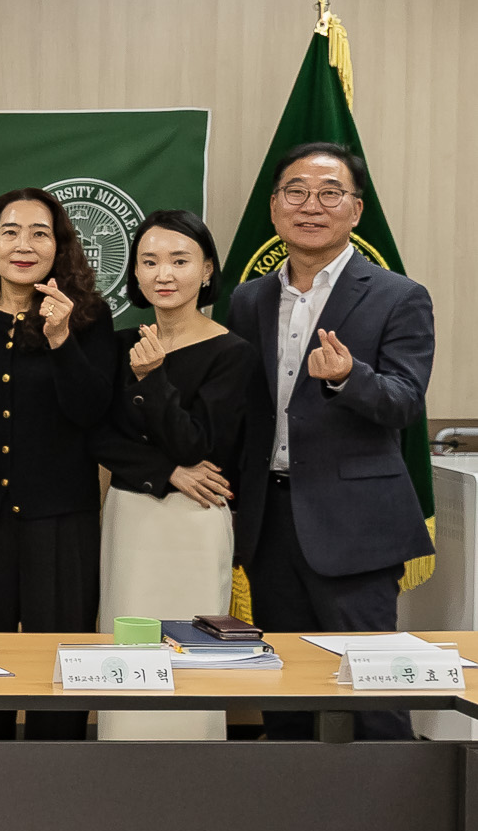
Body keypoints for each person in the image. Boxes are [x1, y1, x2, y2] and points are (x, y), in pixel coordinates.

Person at [229, 142, 435, 743]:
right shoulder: (250, 298)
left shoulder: (399, 295)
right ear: (274, 208)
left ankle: (398, 823)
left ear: (355, 209)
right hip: (270, 521)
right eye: (296, 191)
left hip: (357, 525)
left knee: (375, 689)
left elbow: (404, 402)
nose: (311, 206)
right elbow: (244, 411)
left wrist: (349, 377)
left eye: (329, 193)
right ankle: (295, 822)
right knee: (285, 690)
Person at [0, 188, 118, 743]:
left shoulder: (88, 318)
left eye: (40, 233)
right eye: (10, 232)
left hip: (60, 520)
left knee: (61, 665)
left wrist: (59, 338)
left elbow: (91, 413)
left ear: (59, 247)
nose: (24, 245)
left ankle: (54, 786)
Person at [93, 210, 254, 742]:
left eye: (180, 261)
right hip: (129, 514)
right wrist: (165, 471)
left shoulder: (232, 352)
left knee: (190, 649)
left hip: (195, 520)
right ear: (134, 274)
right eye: (150, 261)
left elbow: (200, 445)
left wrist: (154, 379)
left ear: (207, 270)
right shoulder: (117, 345)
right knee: (127, 644)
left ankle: (192, 779)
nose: (165, 273)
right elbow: (98, 436)